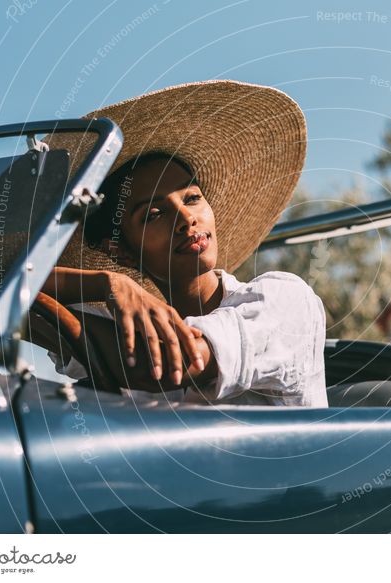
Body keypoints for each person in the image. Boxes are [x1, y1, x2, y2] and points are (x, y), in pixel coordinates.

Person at [43, 80, 327, 407]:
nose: (185, 218)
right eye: (153, 214)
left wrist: (26, 308)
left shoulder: (283, 300)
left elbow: (172, 366)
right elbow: (1, 293)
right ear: (119, 250)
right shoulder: (127, 324)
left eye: (192, 198)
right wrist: (106, 283)